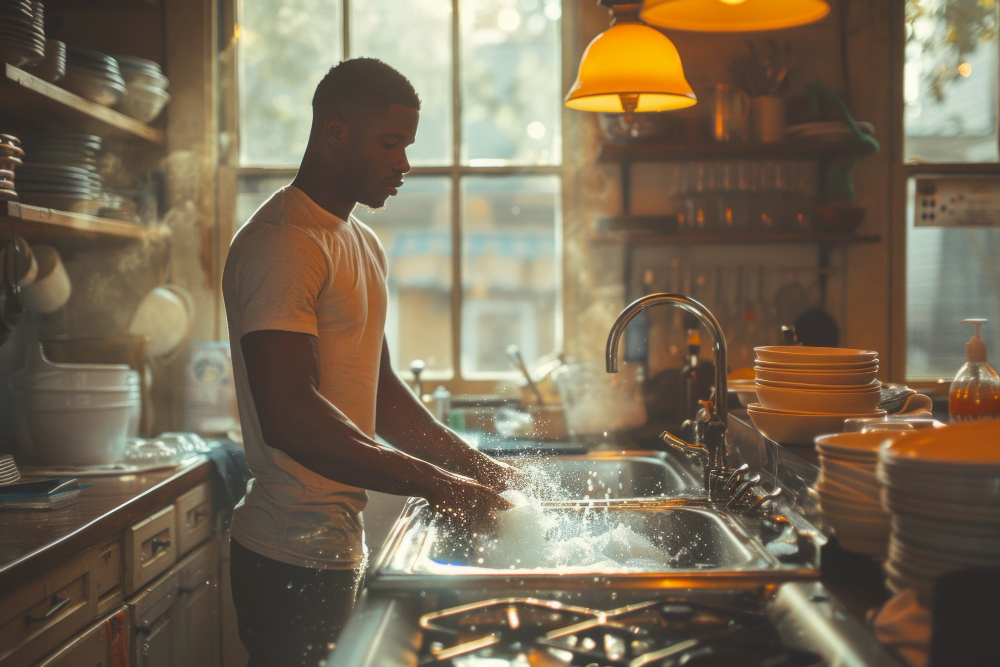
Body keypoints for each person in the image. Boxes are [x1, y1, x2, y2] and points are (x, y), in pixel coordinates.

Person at [223, 58, 517, 667]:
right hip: (285, 555)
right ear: (335, 132)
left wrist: (483, 472)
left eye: (407, 146)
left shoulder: (358, 239)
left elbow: (380, 396)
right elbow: (288, 414)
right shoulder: (284, 242)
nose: (404, 164)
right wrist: (434, 483)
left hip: (333, 546)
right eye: (391, 144)